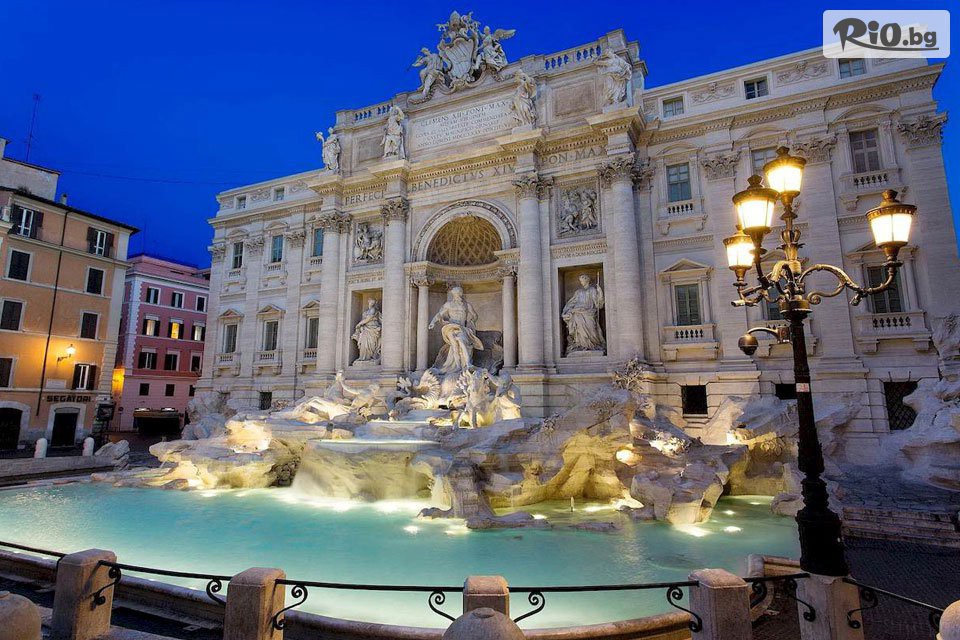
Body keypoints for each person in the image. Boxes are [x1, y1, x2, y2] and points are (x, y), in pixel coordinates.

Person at [428, 285, 483, 374]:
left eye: (459, 292)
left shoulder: (467, 305)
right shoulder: (448, 304)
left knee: (461, 340)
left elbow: (474, 315)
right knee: (454, 345)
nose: (458, 294)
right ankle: (458, 366)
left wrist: (471, 322)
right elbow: (439, 314)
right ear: (454, 294)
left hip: (462, 328)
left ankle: (467, 363)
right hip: (451, 327)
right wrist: (432, 322)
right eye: (456, 293)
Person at [562, 275, 605, 353]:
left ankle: (593, 345)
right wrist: (566, 311)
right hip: (578, 312)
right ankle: (580, 345)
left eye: (582, 280)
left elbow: (598, 304)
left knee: (591, 328)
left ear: (587, 280)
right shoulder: (578, 292)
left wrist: (600, 292)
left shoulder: (592, 290)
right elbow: (572, 302)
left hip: (589, 313)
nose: (581, 282)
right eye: (580, 281)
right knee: (577, 325)